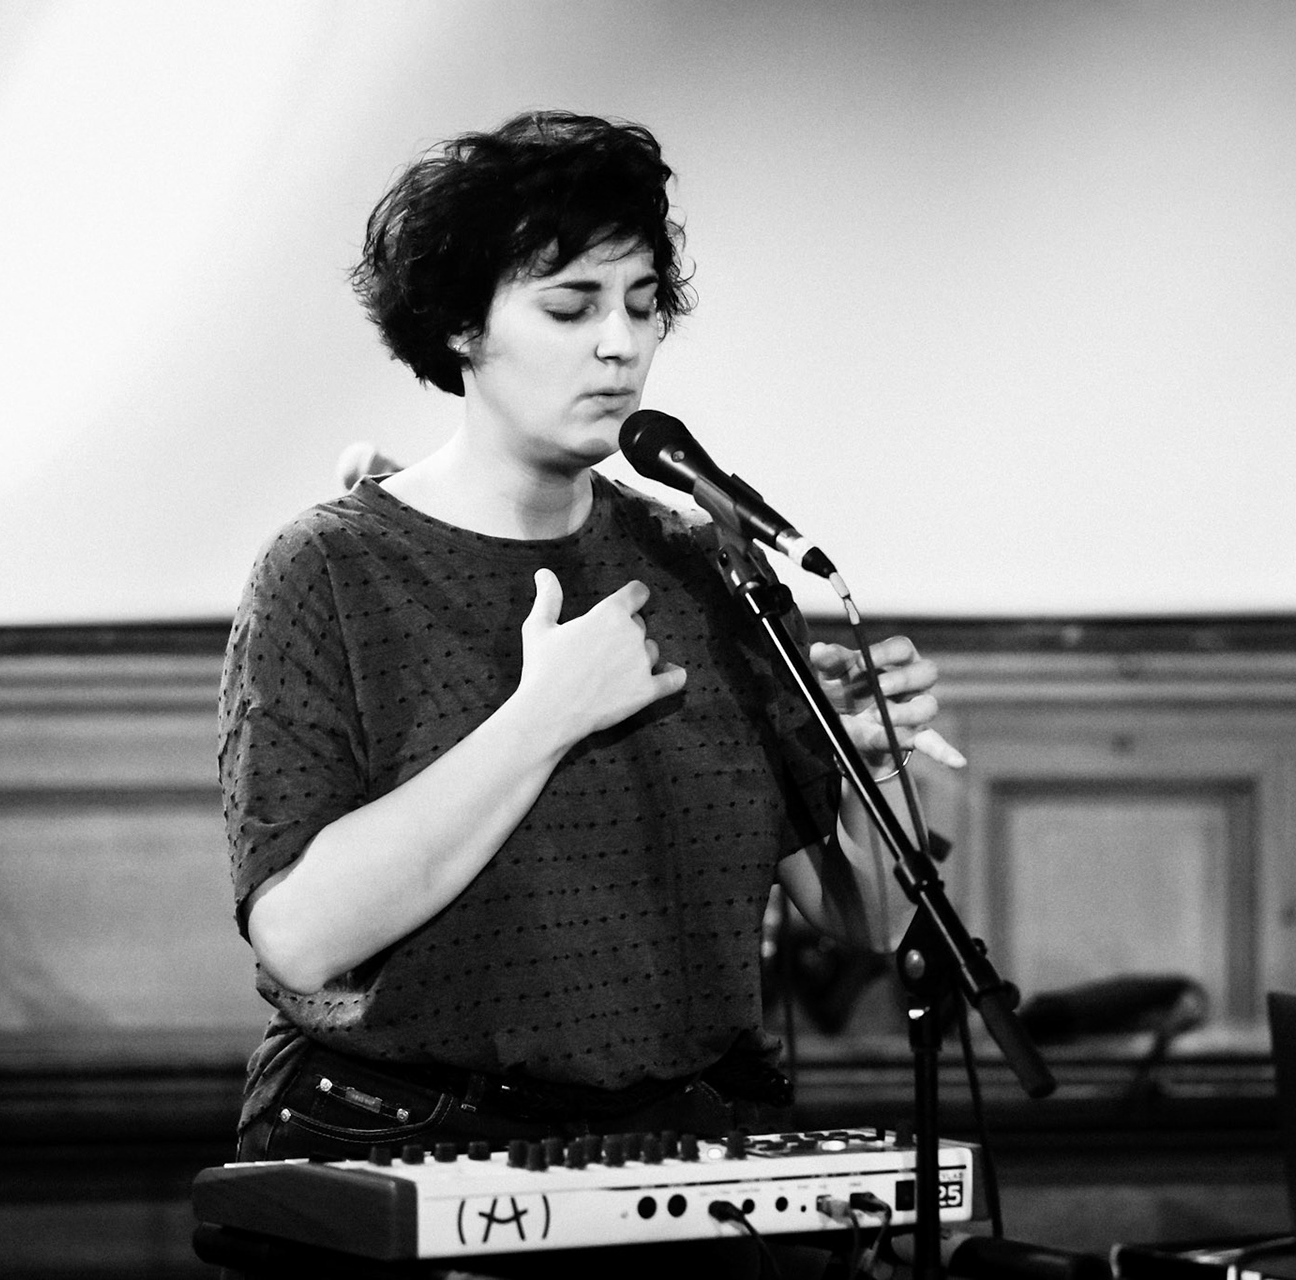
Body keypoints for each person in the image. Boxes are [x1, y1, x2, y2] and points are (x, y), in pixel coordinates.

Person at [217, 110, 964, 1178]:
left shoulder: (706, 565)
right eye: (571, 307)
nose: (621, 344)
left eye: (644, 305)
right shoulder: (329, 567)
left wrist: (871, 772)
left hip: (688, 1141)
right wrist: (543, 717)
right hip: (415, 1135)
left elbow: (869, 920)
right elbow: (299, 936)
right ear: (460, 325)